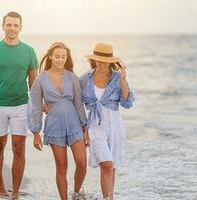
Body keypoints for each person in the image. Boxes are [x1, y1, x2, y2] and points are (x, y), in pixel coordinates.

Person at [0, 11, 38, 199]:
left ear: (21, 28)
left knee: (19, 147)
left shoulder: (29, 51)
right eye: (9, 25)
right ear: (3, 26)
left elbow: (34, 84)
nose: (12, 28)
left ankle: (16, 192)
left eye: (15, 25)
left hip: (20, 105)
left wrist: (37, 109)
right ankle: (0, 182)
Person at [28, 42, 89, 200]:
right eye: (57, 56)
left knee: (82, 162)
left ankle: (76, 193)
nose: (60, 60)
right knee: (62, 167)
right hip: (54, 124)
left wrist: (85, 127)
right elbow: (35, 106)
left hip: (74, 122)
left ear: (67, 58)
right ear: (50, 57)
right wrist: (35, 132)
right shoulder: (41, 79)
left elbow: (78, 103)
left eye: (63, 57)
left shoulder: (72, 78)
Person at [80, 43, 135, 200]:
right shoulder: (85, 79)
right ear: (94, 60)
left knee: (112, 167)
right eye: (99, 60)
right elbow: (74, 100)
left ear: (110, 61)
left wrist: (123, 81)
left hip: (115, 125)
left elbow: (128, 103)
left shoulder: (118, 77)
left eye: (106, 60)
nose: (102, 64)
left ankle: (109, 198)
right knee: (106, 164)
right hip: (95, 126)